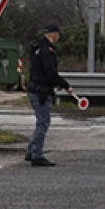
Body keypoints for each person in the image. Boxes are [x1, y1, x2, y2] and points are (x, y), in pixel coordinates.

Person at [25, 22, 74, 167]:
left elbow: (40, 72)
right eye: (58, 34)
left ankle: (31, 151)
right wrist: (65, 85)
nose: (59, 37)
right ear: (54, 34)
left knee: (40, 121)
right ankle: (37, 155)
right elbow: (50, 73)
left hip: (35, 88)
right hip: (41, 91)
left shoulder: (38, 48)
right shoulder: (47, 51)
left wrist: (56, 84)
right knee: (43, 122)